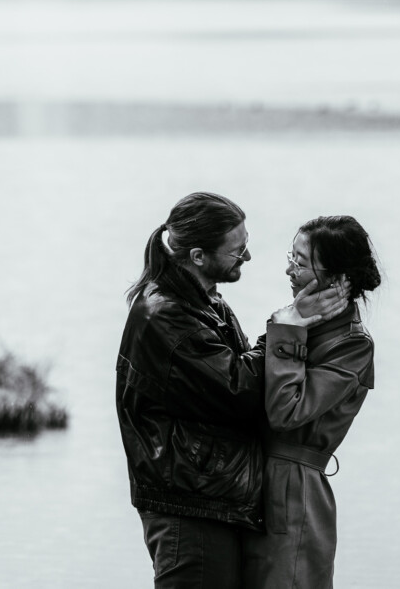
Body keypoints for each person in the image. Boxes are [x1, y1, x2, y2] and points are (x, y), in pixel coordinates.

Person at [117, 192, 349, 589]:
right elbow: (240, 391)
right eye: (237, 251)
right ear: (198, 256)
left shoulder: (204, 303)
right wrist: (287, 324)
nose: (248, 258)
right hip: (187, 508)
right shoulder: (166, 317)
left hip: (209, 499)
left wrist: (289, 326)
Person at [242, 215, 381, 589]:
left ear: (337, 278)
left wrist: (287, 329)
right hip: (255, 480)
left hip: (294, 491)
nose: (289, 269)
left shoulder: (351, 345)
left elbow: (287, 411)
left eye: (301, 263)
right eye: (292, 256)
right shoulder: (299, 321)